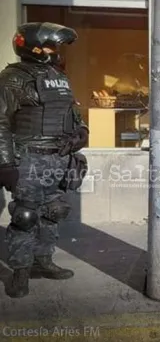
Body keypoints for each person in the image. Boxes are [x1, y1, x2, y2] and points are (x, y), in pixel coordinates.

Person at [0, 22, 89, 298]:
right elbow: (1, 123)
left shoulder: (58, 78)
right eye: (51, 46)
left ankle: (43, 260)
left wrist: (81, 134)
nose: (55, 51)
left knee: (54, 212)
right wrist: (5, 164)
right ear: (32, 46)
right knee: (25, 216)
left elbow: (74, 116)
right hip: (28, 160)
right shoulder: (12, 79)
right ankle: (20, 273)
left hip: (59, 159)